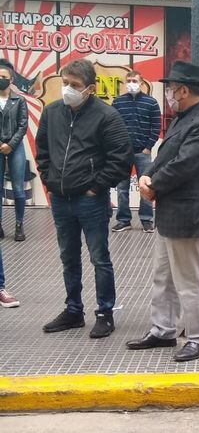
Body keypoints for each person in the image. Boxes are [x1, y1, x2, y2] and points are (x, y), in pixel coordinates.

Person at [127, 61, 199, 362]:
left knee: (189, 280)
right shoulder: (182, 118)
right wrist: (148, 176)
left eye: (171, 88)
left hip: (188, 213)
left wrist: (153, 184)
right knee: (163, 277)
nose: (168, 92)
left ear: (184, 90)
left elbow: (185, 163)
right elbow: (165, 155)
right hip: (169, 211)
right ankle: (163, 330)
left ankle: (198, 337)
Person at [36, 59, 132, 337]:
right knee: (68, 257)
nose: (67, 89)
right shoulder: (52, 112)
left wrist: (97, 187)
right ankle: (73, 310)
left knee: (99, 257)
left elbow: (121, 158)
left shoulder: (106, 116)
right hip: (61, 198)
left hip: (90, 200)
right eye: (65, 83)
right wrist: (49, 180)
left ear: (90, 88)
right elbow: (42, 149)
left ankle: (105, 312)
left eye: (74, 85)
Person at [111, 70, 161, 233]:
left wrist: (148, 147)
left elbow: (156, 126)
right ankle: (124, 220)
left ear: (141, 83)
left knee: (146, 186)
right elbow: (112, 126)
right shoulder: (118, 102)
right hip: (122, 153)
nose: (132, 83)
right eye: (129, 80)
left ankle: (146, 220)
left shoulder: (151, 102)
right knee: (122, 188)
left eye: (135, 80)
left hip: (143, 152)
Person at [0, 59, 29, 241]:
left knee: (18, 189)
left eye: (3, 77)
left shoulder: (19, 100)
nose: (0, 79)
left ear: (11, 79)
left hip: (15, 147)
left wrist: (10, 144)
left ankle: (19, 224)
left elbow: (23, 125)